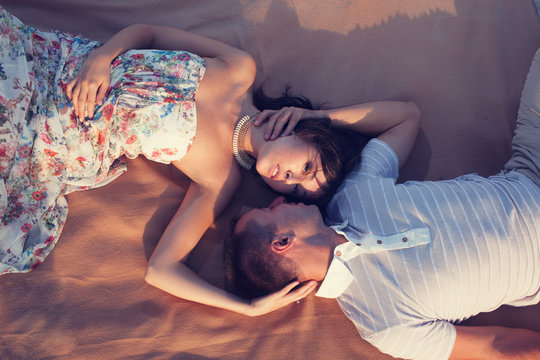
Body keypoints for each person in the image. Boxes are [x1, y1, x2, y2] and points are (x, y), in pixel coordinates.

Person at [0, 7, 412, 316]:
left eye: (297, 188)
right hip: (55, 62)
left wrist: (247, 309)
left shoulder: (218, 180)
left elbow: (161, 270)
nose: (290, 180)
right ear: (303, 132)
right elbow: (150, 32)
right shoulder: (239, 69)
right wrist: (102, 57)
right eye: (306, 167)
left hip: (44, 133)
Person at [227, 49, 540, 358]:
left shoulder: (352, 192)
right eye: (270, 210)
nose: (279, 198)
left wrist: (318, 118)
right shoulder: (383, 325)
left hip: (531, 168)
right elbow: (498, 347)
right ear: (282, 242)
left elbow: (405, 117)